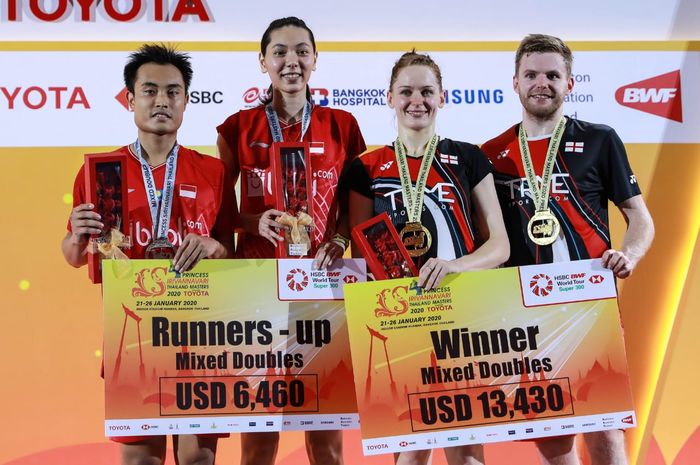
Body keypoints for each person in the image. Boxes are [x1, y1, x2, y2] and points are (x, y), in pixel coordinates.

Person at [481, 34, 655, 465]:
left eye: (553, 75)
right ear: (515, 83)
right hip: (525, 313)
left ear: (570, 83)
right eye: (532, 75)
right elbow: (488, 241)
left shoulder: (599, 139)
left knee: (605, 430)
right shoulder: (492, 155)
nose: (543, 83)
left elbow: (640, 217)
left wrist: (629, 255)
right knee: (554, 438)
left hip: (588, 305)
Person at [62, 43, 234, 465]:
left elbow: (230, 251)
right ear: (130, 98)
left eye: (173, 91)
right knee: (142, 462)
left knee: (199, 461)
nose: (162, 100)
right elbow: (71, 254)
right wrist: (78, 238)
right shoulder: (100, 172)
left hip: (201, 341)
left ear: (186, 100)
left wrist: (214, 247)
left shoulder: (211, 171)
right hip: (132, 340)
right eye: (150, 90)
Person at [346, 51, 509, 465]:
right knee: (411, 453)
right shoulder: (366, 167)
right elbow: (359, 254)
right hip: (403, 320)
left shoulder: (468, 158)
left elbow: (500, 247)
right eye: (406, 91)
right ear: (388, 98)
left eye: (426, 91)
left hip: (464, 318)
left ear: (442, 97)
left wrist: (454, 265)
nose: (415, 100)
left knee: (467, 453)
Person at [215, 17, 366, 465]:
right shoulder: (236, 128)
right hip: (259, 287)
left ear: (315, 60)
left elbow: (354, 211)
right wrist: (251, 223)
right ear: (263, 62)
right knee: (260, 438)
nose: (291, 61)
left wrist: (339, 240)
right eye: (279, 52)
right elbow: (221, 217)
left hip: (323, 288)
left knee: (326, 439)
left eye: (301, 50)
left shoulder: (342, 125)